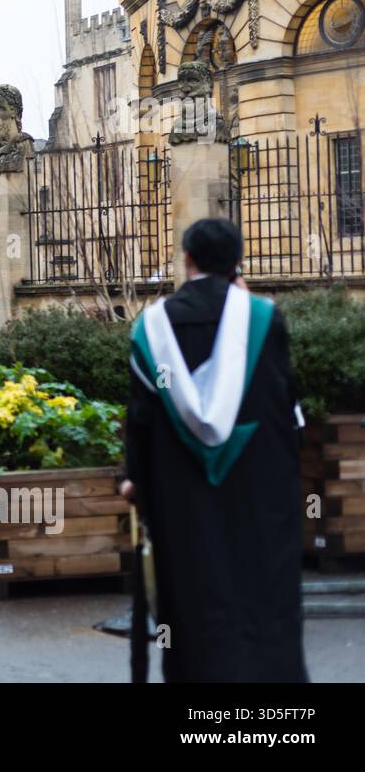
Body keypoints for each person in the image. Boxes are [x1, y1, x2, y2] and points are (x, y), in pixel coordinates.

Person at [124, 218, 306, 683]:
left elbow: (141, 418)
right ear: (236, 262)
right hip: (257, 491)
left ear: (187, 260)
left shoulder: (154, 327)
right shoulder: (263, 319)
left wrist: (135, 482)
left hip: (179, 495)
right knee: (261, 589)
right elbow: (286, 408)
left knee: (188, 597)